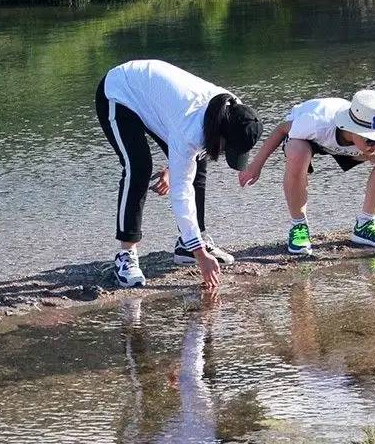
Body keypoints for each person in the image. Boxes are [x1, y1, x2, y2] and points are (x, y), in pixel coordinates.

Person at [96, 59, 261, 293]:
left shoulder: (234, 110)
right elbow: (181, 191)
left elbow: (185, 154)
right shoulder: (190, 129)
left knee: (200, 158)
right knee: (139, 167)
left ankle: (188, 244)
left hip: (160, 103)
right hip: (120, 92)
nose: (225, 153)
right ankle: (126, 254)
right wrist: (201, 256)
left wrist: (174, 168)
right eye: (227, 148)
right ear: (222, 132)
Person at [238, 88, 375, 259]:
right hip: (311, 140)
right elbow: (281, 130)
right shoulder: (314, 121)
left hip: (347, 145)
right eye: (371, 139)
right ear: (353, 128)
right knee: (297, 152)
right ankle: (299, 227)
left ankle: (365, 225)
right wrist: (256, 165)